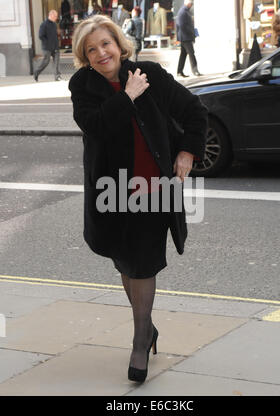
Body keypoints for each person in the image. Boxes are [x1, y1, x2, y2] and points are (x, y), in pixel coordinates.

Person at [68, 15, 207, 383]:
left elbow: (195, 111)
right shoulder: (83, 86)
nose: (101, 53)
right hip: (110, 192)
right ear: (84, 56)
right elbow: (95, 126)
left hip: (152, 191)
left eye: (105, 44)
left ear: (119, 43)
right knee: (125, 262)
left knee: (142, 264)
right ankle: (147, 324)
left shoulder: (150, 74)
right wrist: (127, 96)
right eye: (91, 49)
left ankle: (141, 337)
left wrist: (188, 152)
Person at [34, 10, 62, 82]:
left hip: (55, 47)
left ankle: (57, 76)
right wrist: (48, 43)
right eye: (55, 16)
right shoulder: (44, 24)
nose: (56, 17)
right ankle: (36, 72)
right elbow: (41, 36)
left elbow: (55, 35)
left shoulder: (54, 24)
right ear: (51, 15)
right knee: (46, 62)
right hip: (47, 47)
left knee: (56, 62)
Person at [176, 0, 200, 77]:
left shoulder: (184, 11)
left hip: (185, 37)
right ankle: (195, 70)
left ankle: (179, 72)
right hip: (186, 37)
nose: (192, 5)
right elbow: (182, 25)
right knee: (191, 54)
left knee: (183, 55)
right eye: (191, 4)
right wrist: (191, 33)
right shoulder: (183, 12)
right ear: (188, 4)